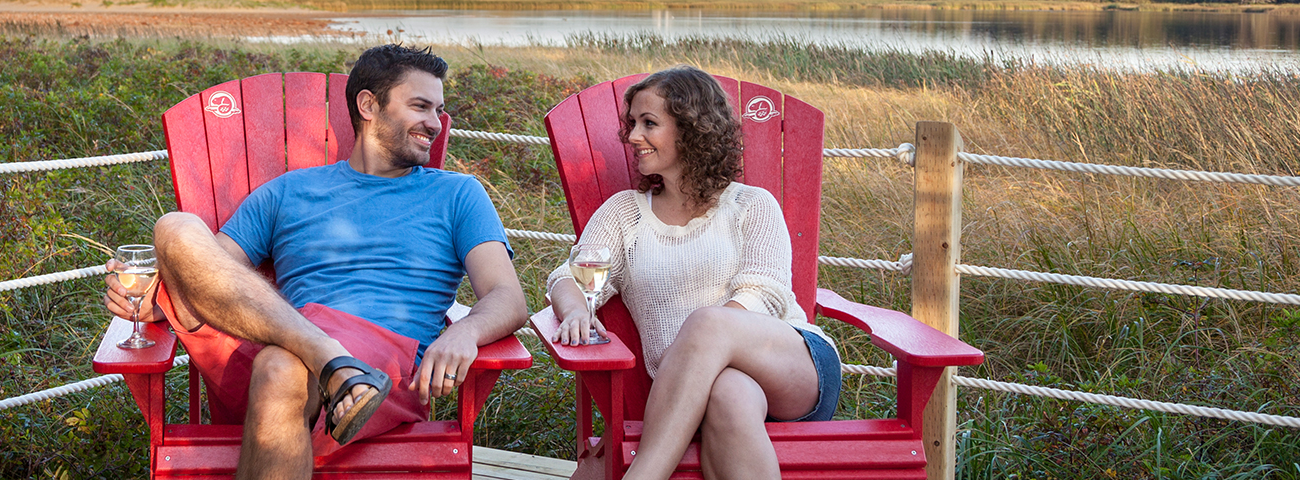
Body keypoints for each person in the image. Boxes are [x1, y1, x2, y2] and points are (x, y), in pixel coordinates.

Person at [104, 44, 528, 479]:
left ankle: (331, 363)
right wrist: (164, 299)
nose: (434, 124)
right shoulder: (287, 191)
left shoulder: (458, 195)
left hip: (378, 377)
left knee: (281, 365)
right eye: (420, 106)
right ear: (368, 104)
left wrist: (466, 334)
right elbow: (214, 272)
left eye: (439, 110)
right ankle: (330, 359)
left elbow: (508, 297)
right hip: (268, 346)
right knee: (175, 226)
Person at [546, 66, 842, 480]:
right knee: (729, 395)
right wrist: (577, 309)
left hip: (792, 366)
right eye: (631, 123)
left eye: (649, 123)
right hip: (708, 393)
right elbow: (570, 278)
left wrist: (698, 350)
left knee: (707, 325)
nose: (632, 136)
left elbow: (766, 294)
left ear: (692, 129)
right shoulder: (624, 214)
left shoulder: (750, 205)